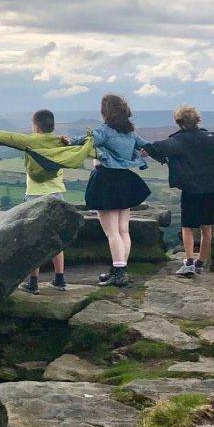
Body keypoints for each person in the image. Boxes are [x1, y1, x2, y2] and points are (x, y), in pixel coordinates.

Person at [0, 109, 96, 294]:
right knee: (56, 239)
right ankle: (59, 280)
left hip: (35, 196)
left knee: (33, 240)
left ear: (35, 125)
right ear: (52, 126)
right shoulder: (61, 142)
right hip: (56, 195)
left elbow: (6, 137)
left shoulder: (31, 141)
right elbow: (89, 150)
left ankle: (33, 283)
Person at [142, 105, 214, 277]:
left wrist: (146, 150)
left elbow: (160, 147)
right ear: (197, 120)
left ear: (179, 122)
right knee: (206, 227)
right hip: (211, 190)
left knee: (187, 226)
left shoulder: (179, 140)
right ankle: (200, 263)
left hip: (191, 190)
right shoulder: (212, 136)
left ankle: (189, 262)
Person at [62, 94, 151, 287]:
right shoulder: (130, 133)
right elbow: (147, 146)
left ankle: (119, 274)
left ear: (106, 111)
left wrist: (68, 141)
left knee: (112, 233)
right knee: (123, 231)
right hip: (125, 181)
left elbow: (87, 140)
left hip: (106, 181)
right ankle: (118, 269)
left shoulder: (103, 130)